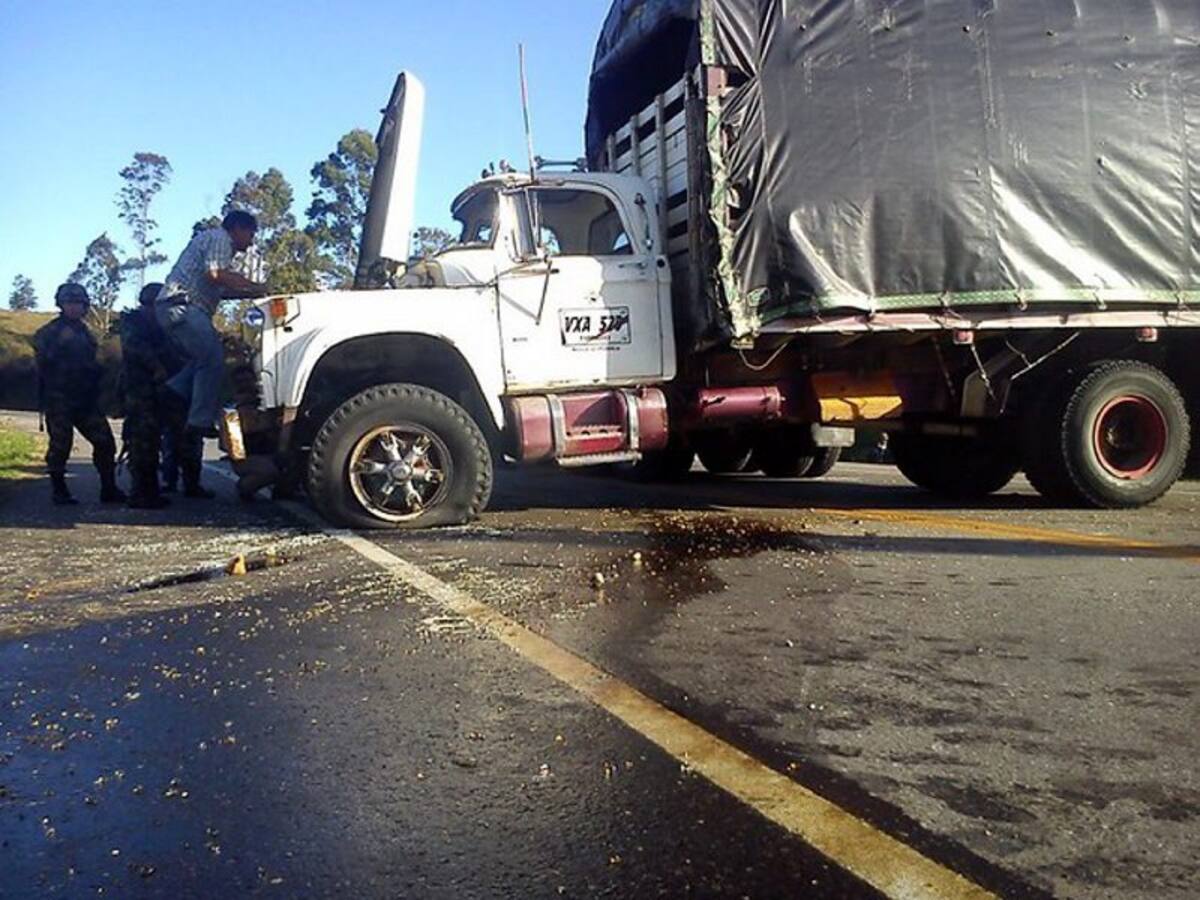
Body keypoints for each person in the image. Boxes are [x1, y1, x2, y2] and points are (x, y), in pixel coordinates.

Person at [156, 210, 266, 437]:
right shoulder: (220, 238)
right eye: (250, 234)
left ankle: (170, 394)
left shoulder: (215, 243)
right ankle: (200, 421)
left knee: (201, 360)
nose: (251, 241)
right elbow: (215, 274)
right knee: (213, 358)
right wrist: (256, 286)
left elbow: (221, 288)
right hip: (183, 307)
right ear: (237, 228)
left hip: (173, 308)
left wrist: (250, 293)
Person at [33, 283, 126, 506]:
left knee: (105, 443)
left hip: (86, 400)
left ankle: (109, 488)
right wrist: (59, 345)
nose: (74, 307)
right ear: (61, 305)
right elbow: (42, 363)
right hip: (59, 399)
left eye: (78, 303)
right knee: (60, 446)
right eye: (69, 303)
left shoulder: (87, 333)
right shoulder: (48, 333)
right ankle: (59, 490)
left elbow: (97, 363)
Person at [118, 283, 175, 509]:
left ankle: (149, 490)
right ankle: (140, 492)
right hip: (139, 392)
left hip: (154, 392)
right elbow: (137, 349)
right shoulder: (133, 324)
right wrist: (157, 367)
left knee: (152, 442)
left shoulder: (159, 326)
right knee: (141, 442)